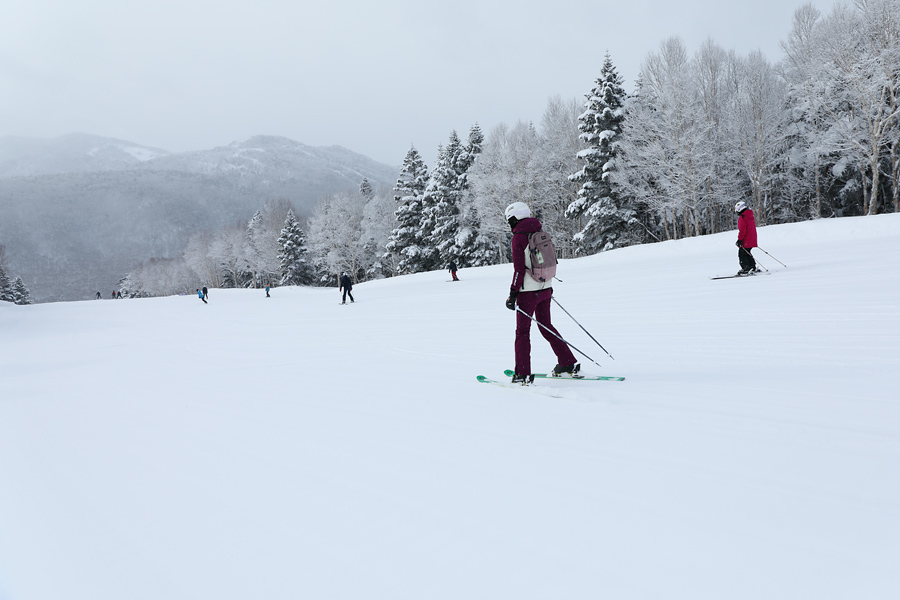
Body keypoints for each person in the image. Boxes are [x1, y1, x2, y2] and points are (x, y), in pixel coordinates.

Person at [504, 202, 578, 384]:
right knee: (546, 325)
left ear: (515, 218)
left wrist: (512, 294)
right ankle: (567, 363)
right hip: (546, 287)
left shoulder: (518, 238)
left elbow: (519, 270)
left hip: (528, 293)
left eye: (510, 220)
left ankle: (522, 374)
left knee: (522, 332)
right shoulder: (539, 233)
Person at [735, 201, 758, 275]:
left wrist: (739, 240)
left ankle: (746, 268)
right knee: (747, 252)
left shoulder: (742, 218)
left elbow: (743, 231)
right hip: (752, 239)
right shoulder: (750, 216)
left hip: (746, 240)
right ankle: (752, 266)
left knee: (742, 253)